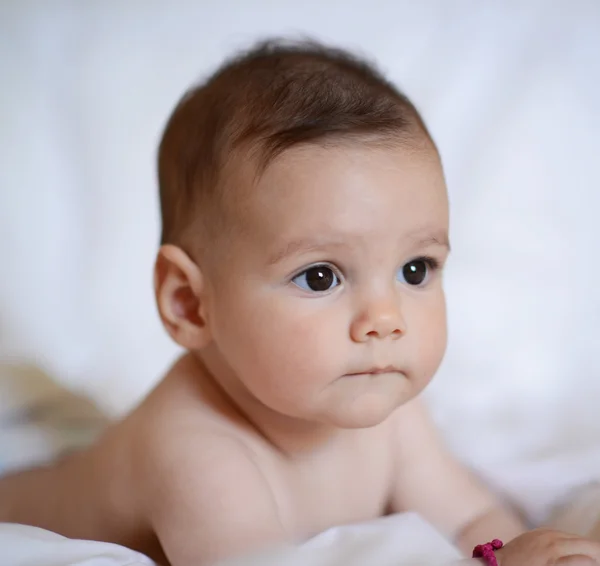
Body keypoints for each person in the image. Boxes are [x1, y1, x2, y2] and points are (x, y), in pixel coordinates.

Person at [2, 38, 600, 566]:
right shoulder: (193, 451)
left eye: (414, 269)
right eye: (320, 277)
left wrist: (517, 552)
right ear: (190, 303)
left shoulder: (385, 410)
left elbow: (472, 522)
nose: (385, 320)